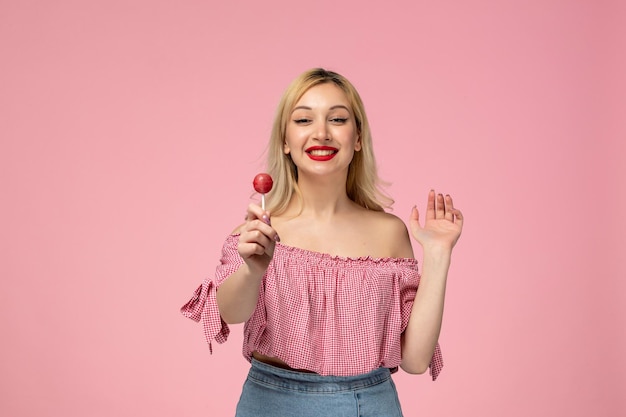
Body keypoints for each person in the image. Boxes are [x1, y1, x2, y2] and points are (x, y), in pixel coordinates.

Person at [181, 68, 464, 417]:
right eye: (303, 120)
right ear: (285, 140)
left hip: (369, 404)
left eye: (338, 119)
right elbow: (230, 312)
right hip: (271, 403)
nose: (321, 133)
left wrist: (438, 254)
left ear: (357, 137)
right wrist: (254, 269)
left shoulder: (389, 232)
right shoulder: (259, 229)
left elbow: (416, 360)